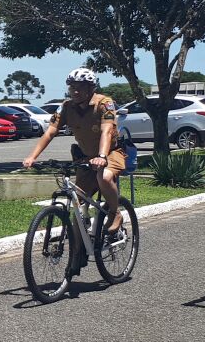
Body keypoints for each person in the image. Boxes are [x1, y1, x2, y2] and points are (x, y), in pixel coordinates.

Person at [22, 67, 127, 236]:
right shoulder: (66, 107)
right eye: (72, 87)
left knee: (104, 176)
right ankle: (77, 255)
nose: (75, 91)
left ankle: (115, 213)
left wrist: (101, 156)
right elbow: (50, 132)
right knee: (77, 202)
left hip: (110, 153)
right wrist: (32, 157)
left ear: (91, 88)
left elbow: (106, 131)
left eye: (80, 87)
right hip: (86, 158)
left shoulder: (104, 103)